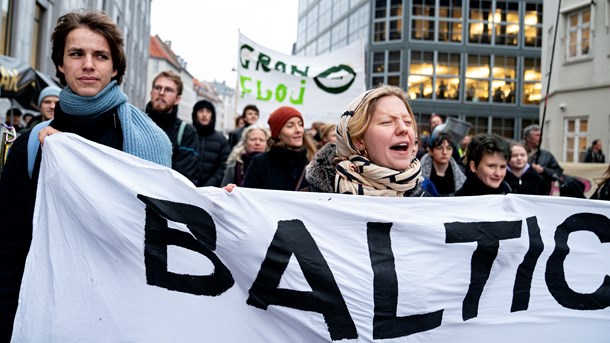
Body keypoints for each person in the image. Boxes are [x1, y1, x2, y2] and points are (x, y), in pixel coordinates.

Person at [0, 10, 172, 340]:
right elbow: (9, 249)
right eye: (77, 54)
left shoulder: (150, 143)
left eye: (101, 56)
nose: (89, 65)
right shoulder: (31, 149)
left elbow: (167, 236)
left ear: (116, 67)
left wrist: (218, 207)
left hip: (123, 319)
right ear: (61, 65)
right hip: (47, 317)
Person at [305, 85, 428, 197]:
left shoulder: (426, 203)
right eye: (387, 122)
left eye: (408, 122)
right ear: (359, 140)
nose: (403, 128)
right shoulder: (311, 202)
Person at [243, 106, 316, 191]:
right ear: (278, 133)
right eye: (290, 126)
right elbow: (247, 196)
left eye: (300, 124)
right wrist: (232, 191)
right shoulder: (260, 162)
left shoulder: (314, 163)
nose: (298, 130)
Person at [146, 70, 199, 183]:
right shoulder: (134, 121)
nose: (161, 93)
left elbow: (182, 178)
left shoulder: (186, 133)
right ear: (151, 92)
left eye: (168, 90)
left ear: (178, 99)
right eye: (157, 88)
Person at [191, 99, 230, 187]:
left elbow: (223, 167)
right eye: (201, 111)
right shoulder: (188, 135)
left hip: (211, 191)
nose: (204, 115)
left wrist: (209, 185)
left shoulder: (221, 140)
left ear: (212, 115)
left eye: (208, 111)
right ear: (195, 114)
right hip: (188, 189)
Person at [523, 124, 563, 194]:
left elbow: (558, 173)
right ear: (527, 138)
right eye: (537, 135)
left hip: (541, 193)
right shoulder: (517, 153)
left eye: (541, 135)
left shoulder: (547, 155)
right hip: (521, 193)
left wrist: (543, 170)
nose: (540, 138)